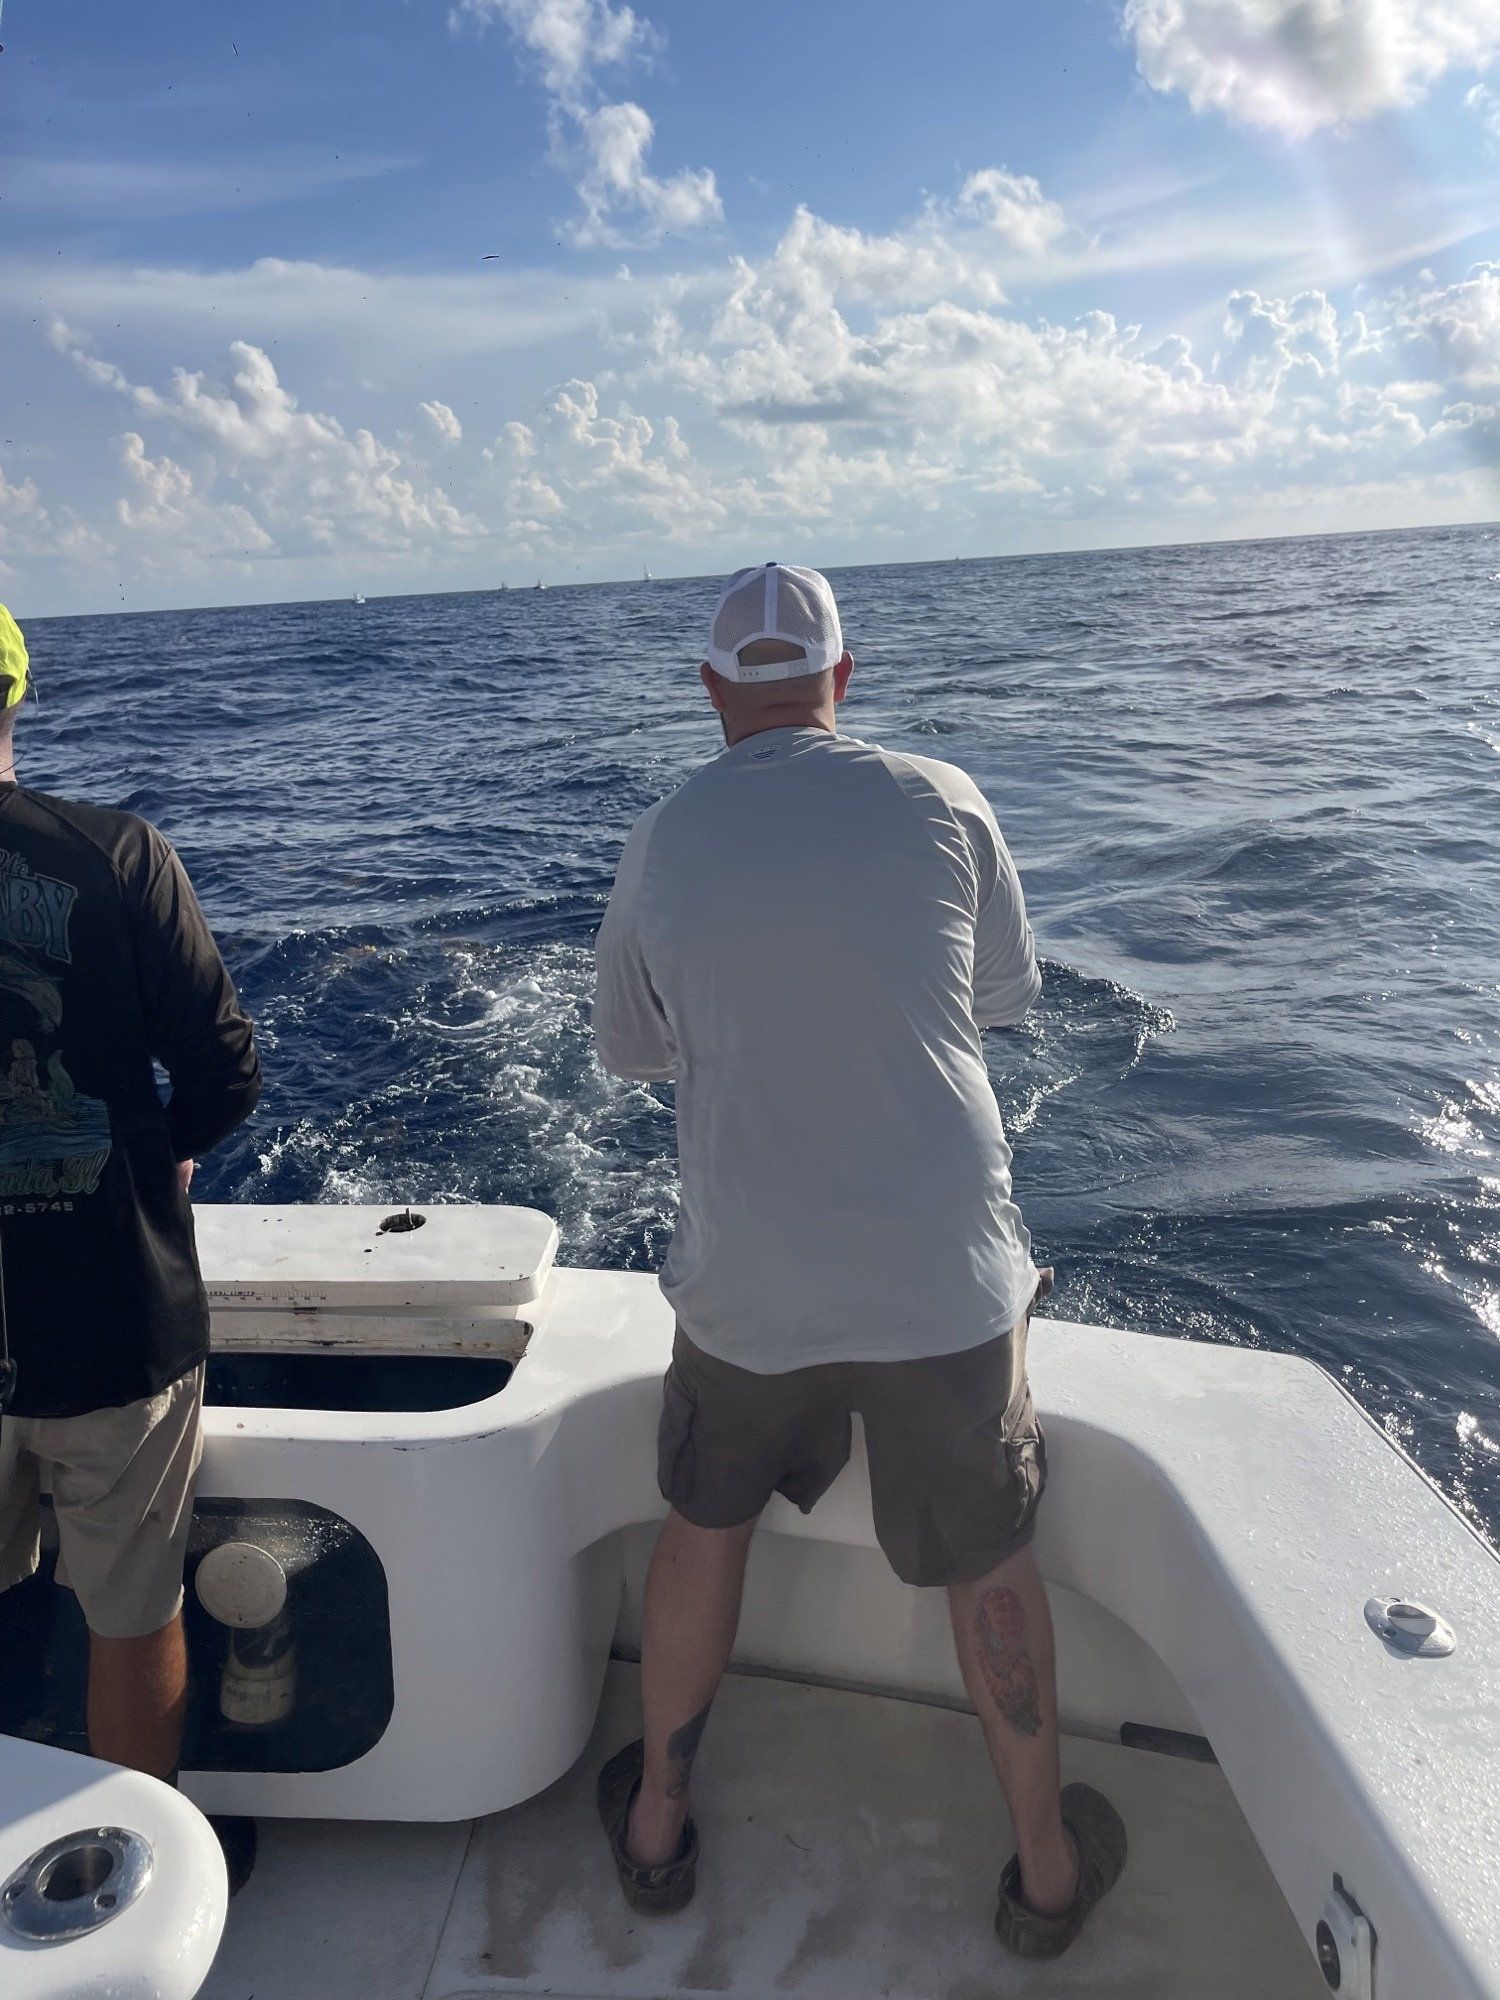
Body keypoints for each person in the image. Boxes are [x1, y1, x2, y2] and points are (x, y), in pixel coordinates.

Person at [592, 563, 1124, 1959]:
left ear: (713, 693)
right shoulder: (941, 799)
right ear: (845, 680)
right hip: (943, 1282)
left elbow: (633, 1050)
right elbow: (1003, 1000)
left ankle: (655, 1827)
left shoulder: (663, 836)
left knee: (703, 1521)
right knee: (990, 1556)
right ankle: (1048, 1870)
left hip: (746, 1284)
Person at [0, 604, 261, 1828]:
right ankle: (117, 1880)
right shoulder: (119, 855)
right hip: (112, 1310)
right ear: (17, 697)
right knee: (131, 1607)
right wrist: (161, 1162)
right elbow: (223, 1071)